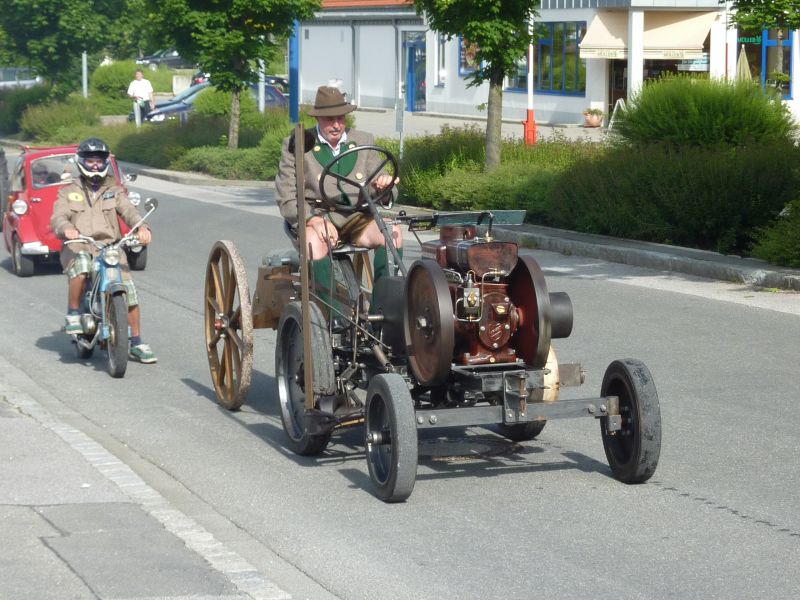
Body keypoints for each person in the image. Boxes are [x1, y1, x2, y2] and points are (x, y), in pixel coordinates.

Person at [275, 85, 402, 296]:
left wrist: (385, 186)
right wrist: (312, 220)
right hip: (318, 218)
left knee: (393, 233)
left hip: (357, 218)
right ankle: (331, 315)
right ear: (317, 119)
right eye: (329, 119)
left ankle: (384, 307)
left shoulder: (363, 140)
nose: (336, 125)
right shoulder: (298, 143)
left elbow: (383, 186)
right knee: (313, 243)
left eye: (341, 119)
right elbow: (286, 197)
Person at [50, 138, 157, 364]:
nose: (95, 166)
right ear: (82, 162)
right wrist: (67, 228)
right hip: (79, 245)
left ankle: (136, 342)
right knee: (81, 267)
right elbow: (58, 217)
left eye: (99, 161)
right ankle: (75, 313)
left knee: (128, 289)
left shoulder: (114, 191)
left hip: (110, 248)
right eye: (91, 161)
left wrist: (142, 227)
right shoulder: (68, 192)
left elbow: (130, 211)